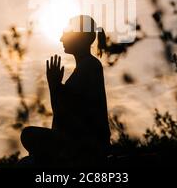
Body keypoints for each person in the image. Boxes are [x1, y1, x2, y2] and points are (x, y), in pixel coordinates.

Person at [20, 15, 110, 166]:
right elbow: (62, 116)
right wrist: (55, 85)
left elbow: (67, 115)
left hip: (86, 144)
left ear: (81, 38)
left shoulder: (90, 66)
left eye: (67, 33)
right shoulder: (84, 68)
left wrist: (54, 86)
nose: (61, 39)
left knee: (28, 135)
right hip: (79, 142)